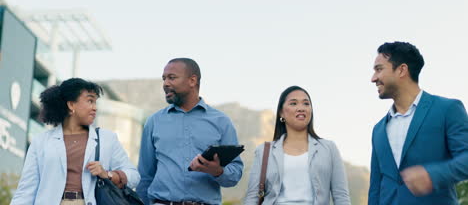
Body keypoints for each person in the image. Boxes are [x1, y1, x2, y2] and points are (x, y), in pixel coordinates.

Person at [11, 78, 140, 205]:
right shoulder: (41, 142)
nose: (95, 108)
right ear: (71, 105)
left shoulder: (107, 139)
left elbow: (134, 176)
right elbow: (26, 190)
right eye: (90, 101)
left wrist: (107, 174)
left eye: (95, 102)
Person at [369, 41, 468, 204]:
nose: (373, 78)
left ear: (401, 70)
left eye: (379, 69)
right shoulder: (378, 130)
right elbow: (376, 188)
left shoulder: (448, 109)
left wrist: (433, 174)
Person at [136, 58, 243, 205]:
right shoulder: (154, 121)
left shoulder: (221, 122)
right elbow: (145, 176)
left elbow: (235, 174)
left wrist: (217, 171)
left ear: (192, 81)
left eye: (172, 77)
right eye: (164, 78)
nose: (165, 84)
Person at [244, 86, 350, 205]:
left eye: (306, 104)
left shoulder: (329, 148)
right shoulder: (264, 151)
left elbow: (341, 196)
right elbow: (252, 196)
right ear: (281, 113)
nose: (301, 108)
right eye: (293, 103)